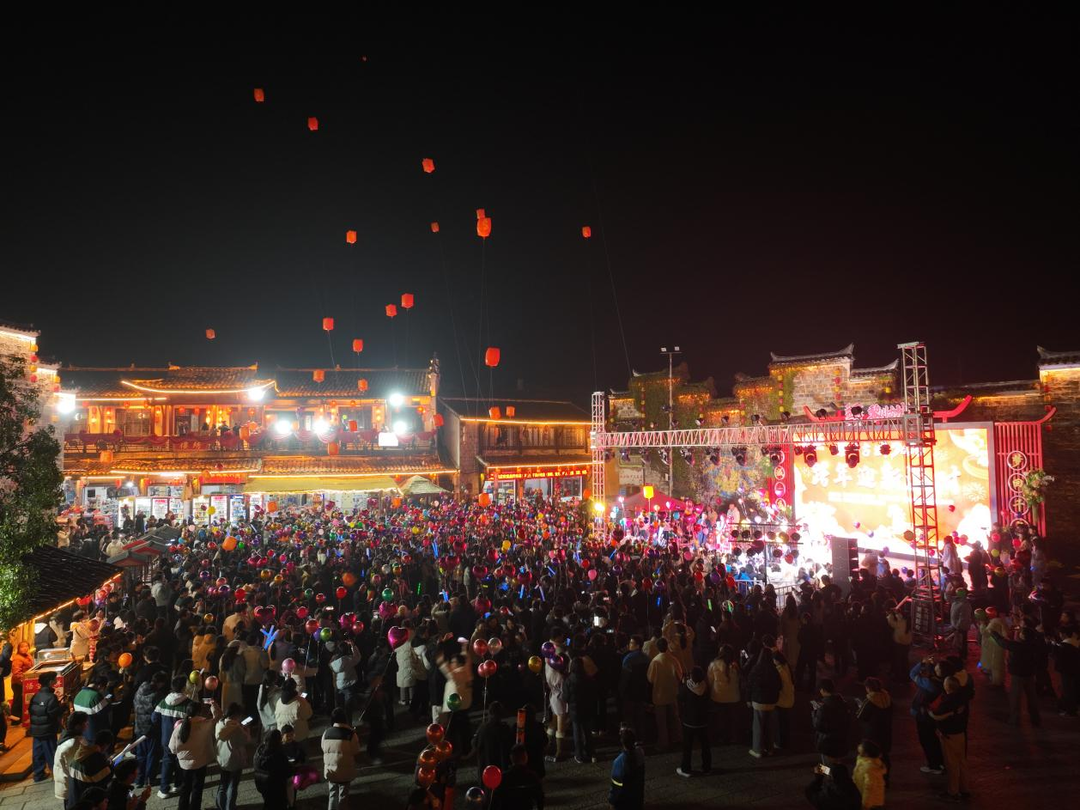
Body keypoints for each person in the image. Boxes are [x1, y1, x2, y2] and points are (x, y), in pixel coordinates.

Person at [169, 700, 222, 810]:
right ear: (199, 712)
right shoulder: (206, 724)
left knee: (185, 789)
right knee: (197, 788)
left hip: (185, 765)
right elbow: (218, 716)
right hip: (201, 762)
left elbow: (172, 749)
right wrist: (213, 704)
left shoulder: (179, 728)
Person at [929, 676, 971, 802]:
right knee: (962, 761)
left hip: (949, 736)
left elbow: (937, 715)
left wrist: (929, 712)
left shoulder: (948, 701)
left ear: (948, 687)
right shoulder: (962, 699)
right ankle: (964, 788)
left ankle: (953, 792)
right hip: (960, 734)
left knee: (952, 764)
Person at [153, 675, 195, 799]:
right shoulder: (189, 703)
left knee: (167, 762)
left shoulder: (163, 701)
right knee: (180, 762)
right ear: (183, 687)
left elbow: (154, 718)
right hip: (182, 739)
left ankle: (164, 789)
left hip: (166, 739)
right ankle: (178, 784)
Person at [992, 625, 1041, 726]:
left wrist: (994, 634)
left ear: (1023, 636)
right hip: (1030, 674)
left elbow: (1003, 643)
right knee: (1032, 697)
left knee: (1015, 697)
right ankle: (1035, 718)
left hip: (1018, 675)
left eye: (1021, 632)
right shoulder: (1034, 645)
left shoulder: (1018, 646)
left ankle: (1014, 719)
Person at [909, 657, 945, 774]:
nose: (935, 668)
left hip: (924, 715)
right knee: (933, 739)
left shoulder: (930, 684)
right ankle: (939, 763)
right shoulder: (942, 682)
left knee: (927, 740)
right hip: (931, 714)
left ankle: (934, 765)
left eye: (938, 668)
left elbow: (912, 674)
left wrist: (922, 663)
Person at [646, 637, 683, 749]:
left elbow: (650, 679)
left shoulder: (655, 661)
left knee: (661, 721)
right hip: (672, 693)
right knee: (674, 717)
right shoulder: (673, 659)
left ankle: (663, 741)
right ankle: (677, 738)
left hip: (659, 694)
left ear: (657, 648)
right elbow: (680, 676)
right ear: (667, 646)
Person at [28, 669, 64, 783]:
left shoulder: (36, 695)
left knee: (38, 752)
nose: (56, 681)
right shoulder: (51, 697)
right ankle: (56, 774)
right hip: (48, 730)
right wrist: (62, 708)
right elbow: (53, 713)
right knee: (51, 752)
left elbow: (31, 710)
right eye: (54, 679)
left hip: (36, 730)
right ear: (50, 682)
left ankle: (38, 774)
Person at [132, 672, 168, 788]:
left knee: (140, 755)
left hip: (139, 727)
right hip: (152, 730)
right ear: (161, 683)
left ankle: (138, 779)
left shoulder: (140, 689)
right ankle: (149, 780)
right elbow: (157, 715)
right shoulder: (158, 695)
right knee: (152, 755)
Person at [321, 707, 360, 810]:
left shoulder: (326, 733)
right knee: (343, 796)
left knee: (332, 794)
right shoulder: (351, 734)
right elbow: (356, 750)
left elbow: (323, 748)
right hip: (345, 771)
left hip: (331, 771)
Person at [855, 678, 892, 785]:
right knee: (884, 756)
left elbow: (860, 715)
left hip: (872, 734)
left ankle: (871, 779)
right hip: (886, 732)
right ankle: (885, 779)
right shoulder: (887, 698)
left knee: (871, 757)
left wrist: (860, 707)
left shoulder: (870, 701)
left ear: (868, 688)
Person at [676, 665, 711, 777]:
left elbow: (680, 697)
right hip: (703, 721)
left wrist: (682, 684)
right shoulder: (706, 687)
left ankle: (686, 769)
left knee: (687, 746)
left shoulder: (687, 687)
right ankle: (707, 768)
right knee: (705, 746)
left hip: (689, 722)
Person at [215, 703, 250, 810]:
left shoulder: (220, 723)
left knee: (223, 783)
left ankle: (220, 805)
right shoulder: (236, 728)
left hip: (222, 758)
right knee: (232, 785)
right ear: (236, 715)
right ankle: (229, 807)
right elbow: (245, 740)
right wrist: (246, 731)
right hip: (234, 759)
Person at [748, 646, 780, 758]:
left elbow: (750, 685)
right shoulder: (774, 670)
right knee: (770, 726)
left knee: (758, 726)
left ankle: (757, 750)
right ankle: (770, 748)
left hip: (758, 701)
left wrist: (748, 699)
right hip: (771, 701)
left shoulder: (756, 669)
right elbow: (779, 685)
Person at [492, 743, 544, 810]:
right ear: (525, 757)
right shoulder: (532, 777)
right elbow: (540, 798)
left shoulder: (503, 778)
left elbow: (495, 801)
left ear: (511, 758)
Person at [70, 730, 114, 808]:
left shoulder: (82, 751)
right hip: (87, 802)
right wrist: (111, 766)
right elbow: (104, 780)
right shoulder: (95, 758)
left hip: (75, 797)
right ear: (105, 745)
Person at [618, 635, 650, 742]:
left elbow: (624, 678)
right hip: (642, 691)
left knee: (629, 717)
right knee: (640, 715)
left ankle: (632, 739)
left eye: (631, 643)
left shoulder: (628, 659)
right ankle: (642, 737)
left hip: (630, 692)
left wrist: (621, 691)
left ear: (637, 645)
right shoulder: (647, 658)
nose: (629, 645)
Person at [706, 644, 740, 744]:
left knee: (721, 718)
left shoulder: (713, 664)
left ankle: (722, 738)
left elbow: (710, 681)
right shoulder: (735, 665)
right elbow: (738, 681)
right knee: (732, 719)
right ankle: (733, 737)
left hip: (718, 696)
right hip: (733, 697)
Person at [811, 679, 850, 766]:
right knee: (837, 763)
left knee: (826, 765)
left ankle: (822, 773)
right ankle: (832, 773)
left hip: (827, 743)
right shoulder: (843, 704)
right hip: (841, 740)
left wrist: (815, 712)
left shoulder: (823, 708)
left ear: (823, 690)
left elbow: (818, 726)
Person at [567, 657, 597, 763]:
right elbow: (593, 693)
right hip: (587, 708)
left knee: (577, 732)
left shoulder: (569, 680)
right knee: (587, 731)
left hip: (575, 710)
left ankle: (579, 755)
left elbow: (566, 696)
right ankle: (590, 752)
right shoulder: (588, 679)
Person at [473, 701, 513, 782]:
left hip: (486, 769)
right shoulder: (505, 729)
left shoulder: (483, 729)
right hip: (500, 769)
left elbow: (474, 744)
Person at [55, 712, 89, 806]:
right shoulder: (72, 744)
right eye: (85, 723)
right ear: (77, 726)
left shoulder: (69, 737)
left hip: (70, 785)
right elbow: (75, 768)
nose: (88, 725)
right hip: (71, 787)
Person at [608, 728, 645, 810]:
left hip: (623, 803)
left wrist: (612, 801)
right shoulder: (640, 754)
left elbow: (615, 787)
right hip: (637, 800)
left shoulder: (619, 762)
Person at [254, 729, 292, 810]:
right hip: (276, 787)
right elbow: (288, 772)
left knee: (268, 803)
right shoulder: (278, 755)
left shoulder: (259, 752)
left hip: (262, 785)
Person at [73, 674, 112, 743]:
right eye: (104, 688)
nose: (103, 690)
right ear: (100, 686)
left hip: (84, 732)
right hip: (96, 732)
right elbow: (105, 712)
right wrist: (107, 701)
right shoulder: (95, 696)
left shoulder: (78, 694)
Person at [852, 740, 886, 810]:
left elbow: (869, 788)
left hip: (872, 803)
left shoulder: (870, 768)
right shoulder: (862, 760)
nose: (858, 746)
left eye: (861, 747)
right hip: (862, 794)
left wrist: (865, 805)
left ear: (866, 754)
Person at [9, 640, 34, 722]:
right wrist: (23, 681)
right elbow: (16, 673)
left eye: (26, 646)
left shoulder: (28, 655)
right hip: (18, 683)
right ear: (18, 648)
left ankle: (21, 718)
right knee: (17, 700)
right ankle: (15, 720)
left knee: (22, 700)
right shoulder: (17, 658)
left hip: (26, 682)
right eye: (22, 647)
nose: (25, 648)